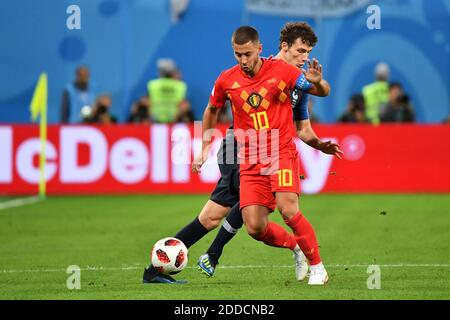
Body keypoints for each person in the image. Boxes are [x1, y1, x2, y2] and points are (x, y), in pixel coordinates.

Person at [142, 23, 340, 285]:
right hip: (240, 147)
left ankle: (168, 266)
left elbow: (303, 127)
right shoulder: (258, 71)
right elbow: (213, 108)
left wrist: (317, 145)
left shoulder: (298, 83)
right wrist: (204, 146)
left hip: (273, 149)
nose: (305, 57)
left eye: (308, 52)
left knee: (216, 216)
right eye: (301, 51)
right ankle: (211, 255)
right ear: (283, 47)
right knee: (232, 214)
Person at [147, 58, 193, 123]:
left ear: (160, 72)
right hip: (175, 121)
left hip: (155, 121)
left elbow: (147, 102)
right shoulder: (180, 86)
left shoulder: (152, 84)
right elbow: (184, 105)